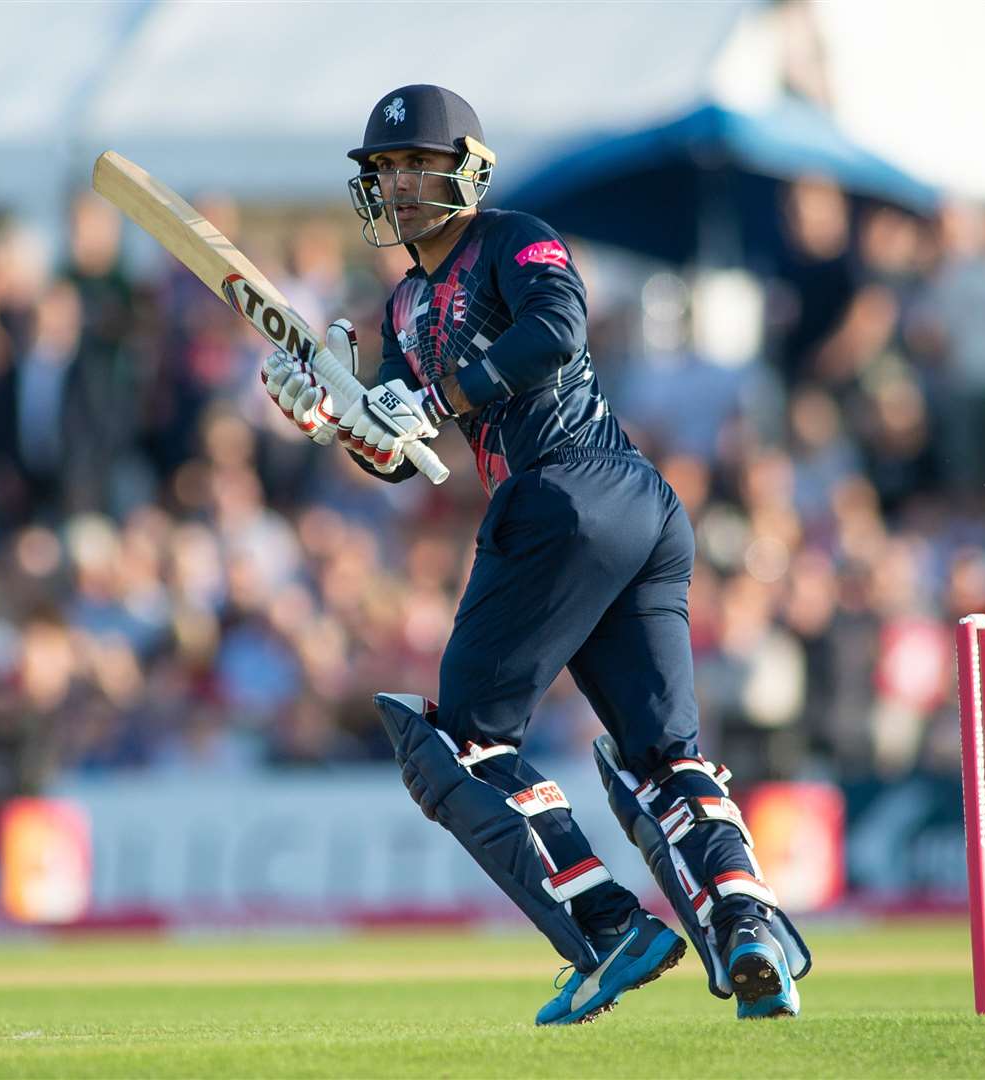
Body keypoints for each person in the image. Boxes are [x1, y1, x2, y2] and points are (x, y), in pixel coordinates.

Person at [261, 85, 810, 1024]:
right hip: (632, 512)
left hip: (566, 491)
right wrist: (333, 419)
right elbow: (404, 460)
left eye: (416, 166)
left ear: (465, 169)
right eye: (386, 170)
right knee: (663, 756)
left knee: (459, 742)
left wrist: (432, 399)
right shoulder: (402, 308)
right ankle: (746, 922)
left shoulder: (514, 237)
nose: (398, 185)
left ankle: (606, 926)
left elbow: (556, 330)